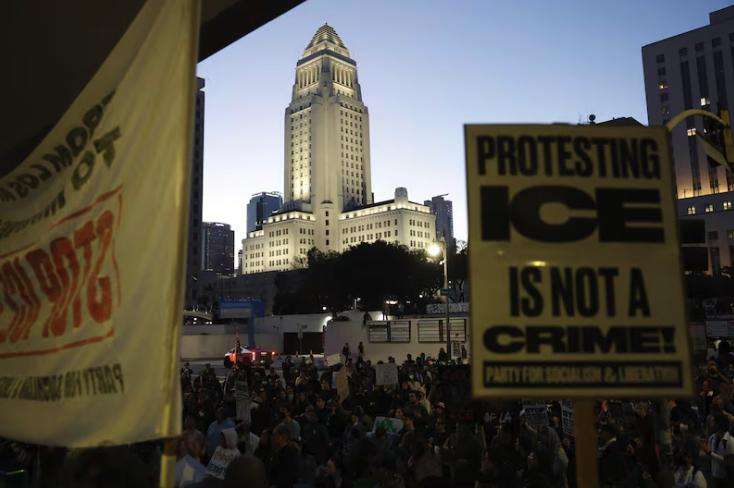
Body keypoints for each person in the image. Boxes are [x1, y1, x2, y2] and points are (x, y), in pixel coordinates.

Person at [701, 414, 734, 488]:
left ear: (719, 424)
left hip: (727, 478)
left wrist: (709, 452)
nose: (710, 423)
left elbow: (729, 462)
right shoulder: (712, 438)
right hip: (714, 475)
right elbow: (710, 457)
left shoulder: (730, 441)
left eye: (713, 421)